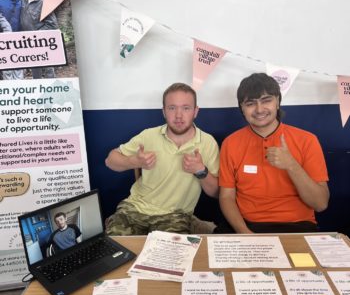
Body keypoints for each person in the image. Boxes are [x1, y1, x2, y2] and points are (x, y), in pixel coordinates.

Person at [219, 73, 329, 233]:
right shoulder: (231, 143)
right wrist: (245, 233)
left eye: (266, 100)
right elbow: (226, 197)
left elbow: (320, 204)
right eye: (250, 103)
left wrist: (292, 165)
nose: (259, 109)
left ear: (277, 102)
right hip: (246, 226)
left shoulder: (307, 140)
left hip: (296, 226)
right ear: (242, 108)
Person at [105, 82, 220, 235]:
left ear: (195, 111)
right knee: (115, 251)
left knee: (169, 257)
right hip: (135, 208)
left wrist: (201, 171)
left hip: (175, 216)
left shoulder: (207, 142)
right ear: (164, 111)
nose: (178, 115)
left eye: (186, 108)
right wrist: (134, 161)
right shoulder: (148, 135)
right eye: (172, 108)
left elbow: (217, 192)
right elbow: (110, 160)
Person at [20, 0, 58, 79]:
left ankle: (52, 89)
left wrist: (36, 35)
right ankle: (38, 89)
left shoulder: (44, 2)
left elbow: (52, 25)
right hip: (28, 43)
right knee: (35, 68)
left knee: (48, 67)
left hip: (43, 41)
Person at [0, 0, 24, 80]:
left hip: (19, 39)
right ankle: (9, 91)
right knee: (7, 67)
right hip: (4, 39)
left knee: (19, 65)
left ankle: (20, 89)